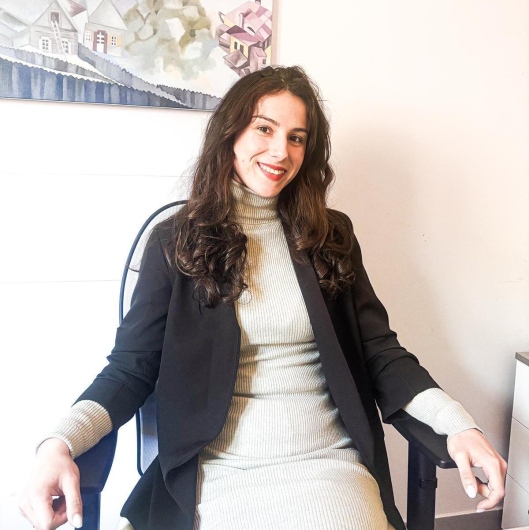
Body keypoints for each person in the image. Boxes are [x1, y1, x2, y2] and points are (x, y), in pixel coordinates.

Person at [20, 66, 506, 530]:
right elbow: (130, 369)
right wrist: (58, 443)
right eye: (265, 129)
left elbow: (382, 353)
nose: (280, 151)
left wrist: (459, 425)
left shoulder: (330, 237)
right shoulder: (176, 243)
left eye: (296, 137)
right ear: (231, 133)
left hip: (328, 465)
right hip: (221, 470)